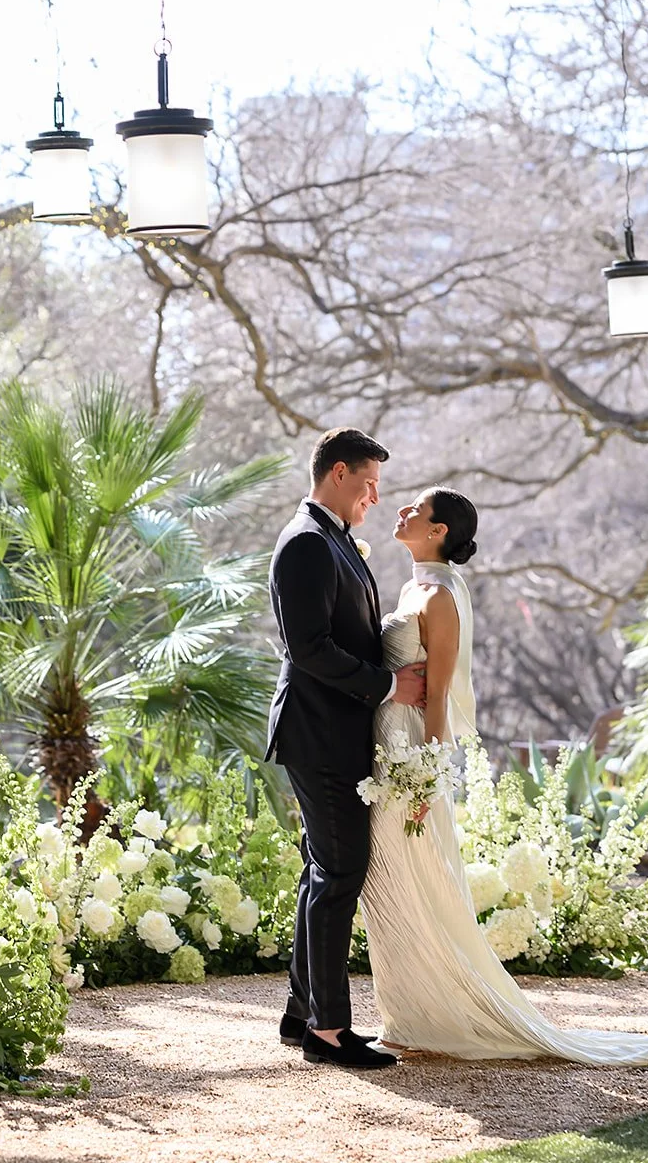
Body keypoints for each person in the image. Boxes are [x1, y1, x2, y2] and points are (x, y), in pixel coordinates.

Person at [360, 486, 648, 1065]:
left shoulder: (443, 597)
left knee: (412, 873)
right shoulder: (411, 585)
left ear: (439, 531)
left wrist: (426, 775)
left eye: (415, 511)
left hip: (409, 753)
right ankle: (408, 1013)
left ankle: (426, 1016)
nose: (401, 512)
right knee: (391, 881)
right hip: (383, 738)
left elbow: (441, 694)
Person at [266, 427, 427, 1068]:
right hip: (318, 732)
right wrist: (387, 684)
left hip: (333, 730)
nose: (374, 498)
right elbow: (307, 650)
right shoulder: (305, 543)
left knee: (322, 869)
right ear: (338, 474)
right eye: (368, 485)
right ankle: (329, 1032)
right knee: (340, 873)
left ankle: (301, 1013)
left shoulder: (333, 537)